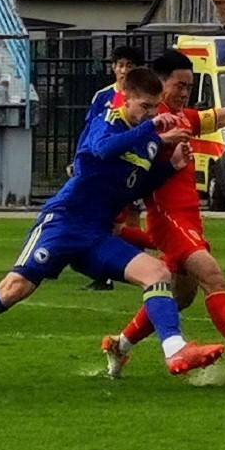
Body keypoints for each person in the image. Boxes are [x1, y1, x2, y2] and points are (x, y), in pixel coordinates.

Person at [0, 67, 223, 391]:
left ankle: (175, 350)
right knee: (14, 288)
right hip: (64, 222)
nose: (151, 114)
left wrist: (170, 168)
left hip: (97, 235)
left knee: (158, 274)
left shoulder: (149, 141)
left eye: (155, 108)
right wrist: (152, 131)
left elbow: (131, 187)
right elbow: (102, 149)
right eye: (144, 107)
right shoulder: (108, 121)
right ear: (125, 98)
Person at [99, 47, 225, 379]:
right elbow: (119, 155)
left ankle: (119, 345)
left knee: (180, 297)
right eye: (179, 85)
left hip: (190, 219)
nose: (185, 93)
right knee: (213, 277)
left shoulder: (186, 118)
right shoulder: (147, 121)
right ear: (160, 83)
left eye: (189, 86)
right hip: (168, 218)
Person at [80, 43, 154, 290]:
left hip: (135, 166)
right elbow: (90, 129)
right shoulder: (103, 97)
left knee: (132, 216)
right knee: (108, 218)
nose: (123, 70)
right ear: (113, 67)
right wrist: (77, 157)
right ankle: (109, 272)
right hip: (108, 167)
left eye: (129, 65)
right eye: (120, 65)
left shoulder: (145, 101)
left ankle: (137, 264)